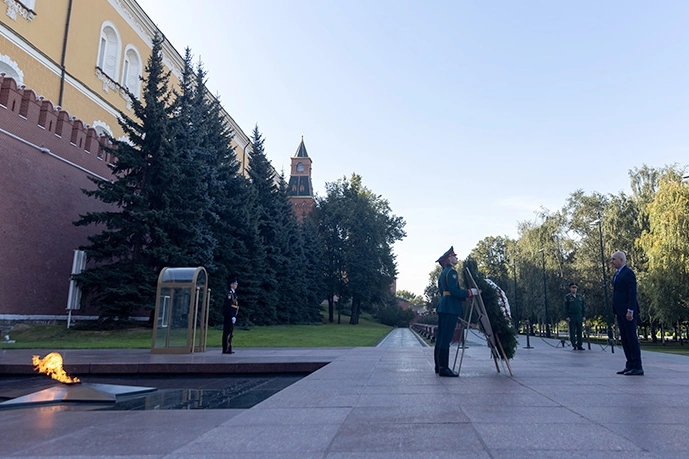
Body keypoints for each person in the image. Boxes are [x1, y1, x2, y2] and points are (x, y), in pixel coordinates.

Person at [434, 246, 478, 377]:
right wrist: (470, 292)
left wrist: (464, 296)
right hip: (450, 307)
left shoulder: (443, 273)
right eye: (454, 256)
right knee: (446, 338)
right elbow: (453, 291)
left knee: (441, 338)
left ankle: (438, 366)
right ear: (449, 259)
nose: (456, 258)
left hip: (444, 305)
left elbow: (445, 291)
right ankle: (444, 368)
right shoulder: (452, 273)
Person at [611, 251, 643, 375]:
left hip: (628, 312)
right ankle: (629, 364)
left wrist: (630, 310)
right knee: (624, 338)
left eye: (614, 259)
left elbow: (631, 293)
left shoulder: (628, 273)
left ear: (621, 260)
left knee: (631, 338)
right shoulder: (617, 274)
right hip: (620, 311)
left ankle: (637, 366)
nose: (612, 262)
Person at [564, 282, 586, 350]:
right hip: (572, 316)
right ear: (570, 288)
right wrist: (567, 316)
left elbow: (583, 307)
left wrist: (584, 316)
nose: (574, 289)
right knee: (572, 331)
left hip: (579, 315)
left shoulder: (580, 296)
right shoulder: (568, 297)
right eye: (573, 288)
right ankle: (574, 344)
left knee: (579, 330)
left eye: (575, 288)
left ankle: (580, 344)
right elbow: (565, 308)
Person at [222, 277, 239, 354]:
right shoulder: (230, 293)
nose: (236, 285)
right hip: (228, 315)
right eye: (235, 283)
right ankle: (225, 348)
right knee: (226, 332)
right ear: (231, 285)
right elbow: (229, 306)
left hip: (232, 315)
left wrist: (234, 316)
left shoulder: (233, 293)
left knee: (229, 332)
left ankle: (228, 348)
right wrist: (232, 316)